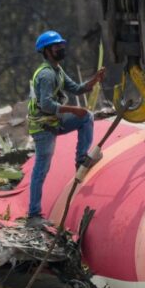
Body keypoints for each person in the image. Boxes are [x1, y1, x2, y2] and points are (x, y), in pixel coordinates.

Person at [25, 30, 105, 229]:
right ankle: (33, 215)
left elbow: (76, 88)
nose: (61, 48)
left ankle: (81, 160)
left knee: (86, 117)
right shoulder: (46, 75)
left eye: (61, 45)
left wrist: (94, 80)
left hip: (54, 121)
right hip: (43, 127)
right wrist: (72, 109)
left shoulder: (57, 70)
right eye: (56, 46)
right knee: (41, 170)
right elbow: (46, 105)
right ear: (46, 51)